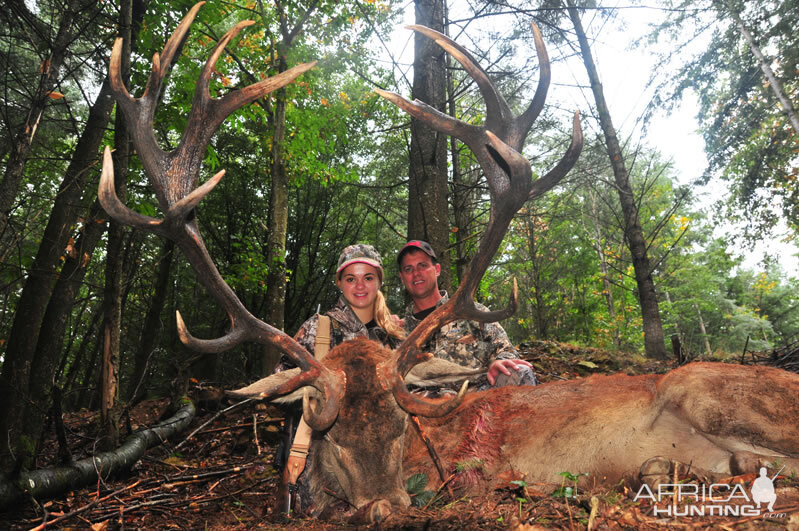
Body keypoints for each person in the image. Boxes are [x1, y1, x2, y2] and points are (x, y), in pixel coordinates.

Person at [274, 243, 403, 516]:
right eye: (350, 278)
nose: (360, 286)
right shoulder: (318, 328)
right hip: (328, 451)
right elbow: (279, 381)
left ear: (380, 281)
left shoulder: (391, 335)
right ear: (340, 283)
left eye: (368, 278)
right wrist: (321, 394)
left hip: (383, 452)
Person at [398, 240, 537, 392]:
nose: (416, 273)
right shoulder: (397, 332)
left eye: (422, 266)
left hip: (478, 399)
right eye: (408, 269)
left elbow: (506, 350)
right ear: (402, 277)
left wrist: (499, 362)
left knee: (519, 372)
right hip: (423, 407)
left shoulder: (474, 314)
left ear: (437, 269)